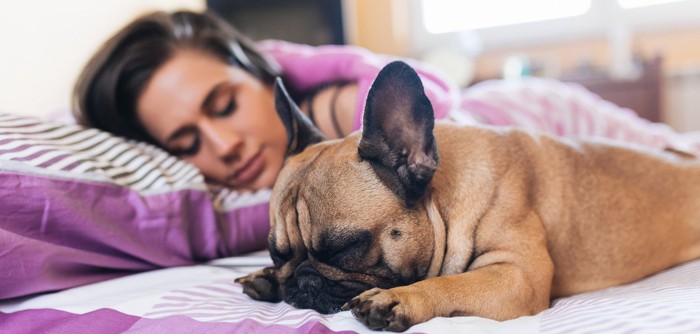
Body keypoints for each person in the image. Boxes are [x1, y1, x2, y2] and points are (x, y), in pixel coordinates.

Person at [73, 9, 699, 193]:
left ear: (264, 75)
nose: (223, 146)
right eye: (184, 143)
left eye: (224, 104)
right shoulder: (213, 196)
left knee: (679, 162)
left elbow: (446, 130)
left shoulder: (349, 109)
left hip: (538, 115)